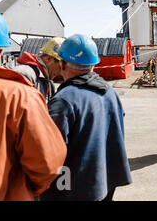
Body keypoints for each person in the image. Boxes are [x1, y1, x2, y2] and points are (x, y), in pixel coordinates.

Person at [41, 34, 132, 201]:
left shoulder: (63, 101)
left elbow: (49, 153)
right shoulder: (110, 93)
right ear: (94, 64)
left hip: (74, 189)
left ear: (63, 63)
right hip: (105, 181)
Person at [0, 8, 66, 201]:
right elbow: (47, 164)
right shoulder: (23, 85)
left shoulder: (45, 80)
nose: (63, 69)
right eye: (60, 63)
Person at [13, 37, 65, 102]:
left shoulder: (48, 80)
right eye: (60, 67)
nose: (61, 72)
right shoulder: (25, 74)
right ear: (48, 59)